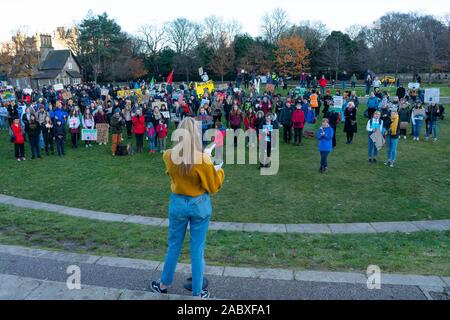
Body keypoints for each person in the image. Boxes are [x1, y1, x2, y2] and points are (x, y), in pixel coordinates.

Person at [151, 117, 225, 299]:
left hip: (178, 204)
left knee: (173, 246)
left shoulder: (168, 155)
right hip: (198, 206)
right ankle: (198, 292)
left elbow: (172, 171)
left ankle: (163, 284)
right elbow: (213, 186)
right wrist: (218, 170)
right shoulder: (202, 161)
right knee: (197, 249)